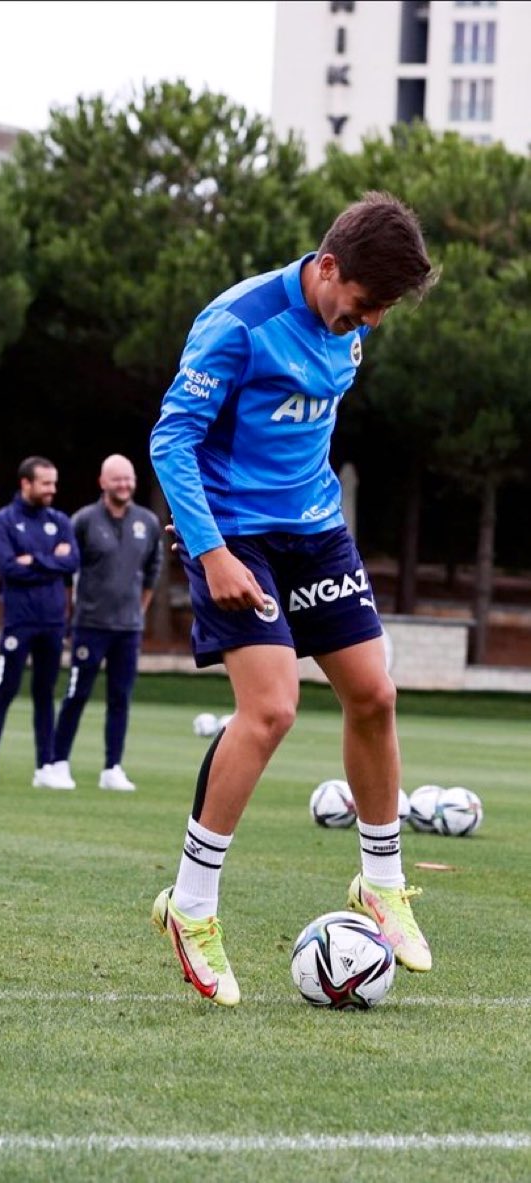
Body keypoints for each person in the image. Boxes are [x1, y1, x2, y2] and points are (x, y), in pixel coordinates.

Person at [148, 191, 438, 1006]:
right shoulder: (237, 323)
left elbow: (303, 429)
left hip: (314, 527)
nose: (368, 321)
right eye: (363, 302)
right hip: (232, 533)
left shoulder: (351, 327)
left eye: (381, 311)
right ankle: (192, 907)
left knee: (373, 693)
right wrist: (209, 552)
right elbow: (171, 436)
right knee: (270, 708)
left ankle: (380, 883)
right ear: (328, 266)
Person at [45, 454, 162, 792]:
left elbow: (152, 572)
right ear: (102, 482)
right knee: (76, 693)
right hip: (90, 625)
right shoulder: (83, 520)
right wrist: (68, 615)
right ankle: (57, 762)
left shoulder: (148, 522)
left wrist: (139, 611)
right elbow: (66, 572)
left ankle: (112, 768)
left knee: (120, 698)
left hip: (128, 629)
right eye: (116, 479)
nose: (123, 485)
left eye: (128, 478)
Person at [0, 456, 79, 789]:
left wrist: (35, 560)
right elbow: (8, 566)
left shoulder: (60, 521)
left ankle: (45, 766)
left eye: (54, 483)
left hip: (53, 622)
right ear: (26, 484)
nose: (52, 490)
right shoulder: (1, 521)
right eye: (45, 483)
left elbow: (72, 561)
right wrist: (51, 561)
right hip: (19, 621)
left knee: (45, 693)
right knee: (4, 690)